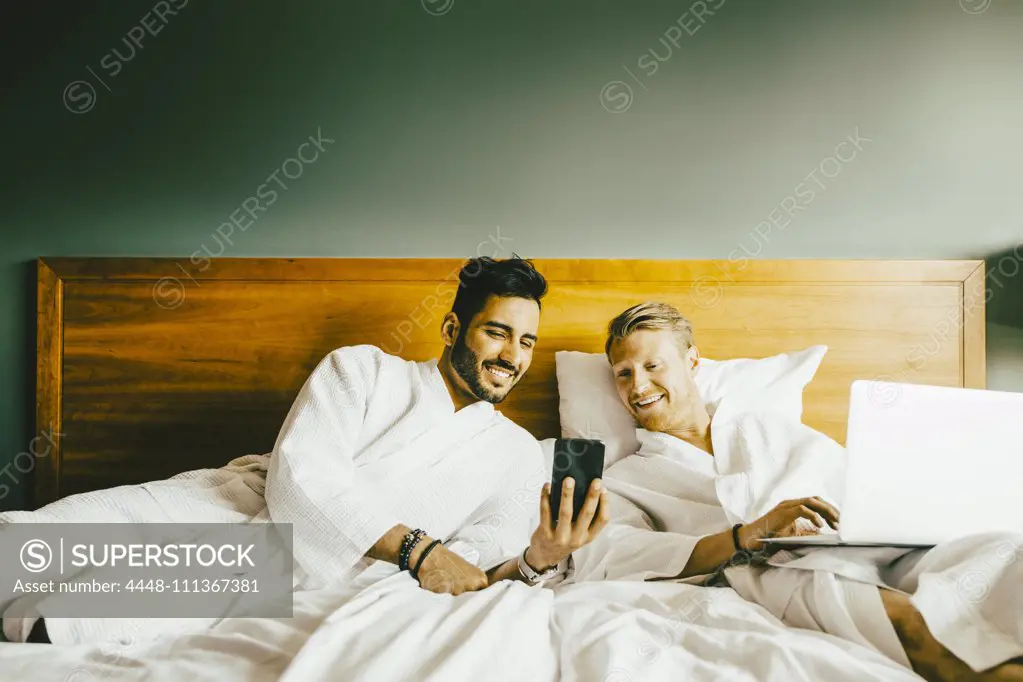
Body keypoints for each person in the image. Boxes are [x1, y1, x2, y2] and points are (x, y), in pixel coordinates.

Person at [568, 301, 1023, 682]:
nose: (638, 385)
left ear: (692, 362)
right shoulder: (627, 477)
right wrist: (743, 536)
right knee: (914, 626)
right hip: (776, 575)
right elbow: (620, 556)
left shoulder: (768, 428)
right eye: (623, 373)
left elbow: (857, 483)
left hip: (865, 545)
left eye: (652, 365)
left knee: (1003, 554)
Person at [266, 256, 610, 596]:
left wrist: (541, 558)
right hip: (263, 543)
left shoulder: (520, 453)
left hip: (379, 594)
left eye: (526, 342)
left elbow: (476, 575)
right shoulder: (362, 369)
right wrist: (419, 551)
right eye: (496, 333)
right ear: (451, 329)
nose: (511, 356)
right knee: (218, 583)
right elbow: (300, 479)